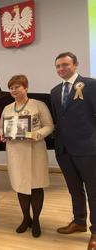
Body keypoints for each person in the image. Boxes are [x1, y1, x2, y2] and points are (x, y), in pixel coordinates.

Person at [0, 75, 54, 237]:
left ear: (26, 88)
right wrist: (3, 135)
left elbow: (49, 126)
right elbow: (1, 128)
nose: (14, 90)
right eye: (12, 88)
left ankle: (36, 220)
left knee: (36, 185)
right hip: (15, 152)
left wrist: (35, 134)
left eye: (17, 87)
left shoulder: (39, 105)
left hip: (34, 150)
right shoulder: (7, 108)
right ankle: (25, 218)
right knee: (21, 186)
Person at [51, 52, 96, 249]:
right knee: (74, 190)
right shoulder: (54, 91)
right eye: (58, 66)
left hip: (87, 148)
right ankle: (79, 222)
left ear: (76, 65)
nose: (61, 69)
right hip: (64, 150)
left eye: (65, 65)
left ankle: (95, 231)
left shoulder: (91, 85)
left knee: (93, 191)